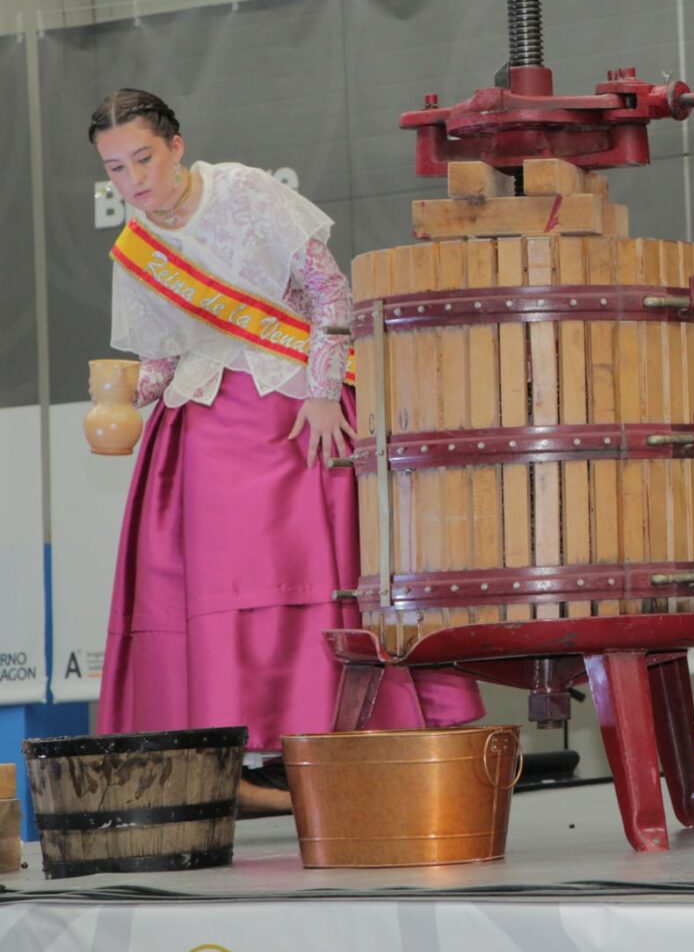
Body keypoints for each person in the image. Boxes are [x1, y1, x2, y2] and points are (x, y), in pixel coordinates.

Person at [92, 89, 482, 813]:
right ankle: (230, 754)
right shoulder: (137, 248)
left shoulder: (244, 191)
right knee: (215, 597)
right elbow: (162, 357)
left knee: (312, 579)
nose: (133, 180)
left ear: (177, 146)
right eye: (115, 169)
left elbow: (331, 295)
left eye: (142, 158)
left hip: (296, 412)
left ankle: (352, 740)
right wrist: (123, 397)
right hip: (201, 430)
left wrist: (324, 390)